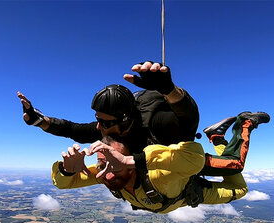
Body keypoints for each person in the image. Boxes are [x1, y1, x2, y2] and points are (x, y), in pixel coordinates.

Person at [51, 112, 268, 214]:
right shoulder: (105, 174)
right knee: (237, 183)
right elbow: (62, 183)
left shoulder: (158, 172)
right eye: (101, 163)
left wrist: (131, 160)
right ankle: (217, 137)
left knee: (236, 170)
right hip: (184, 197)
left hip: (184, 173)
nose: (107, 172)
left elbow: (194, 157)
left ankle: (245, 122)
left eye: (114, 161)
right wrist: (67, 170)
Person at [18, 61, 199, 154]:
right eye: (98, 120)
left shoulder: (155, 122)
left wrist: (170, 90)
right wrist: (38, 120)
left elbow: (189, 120)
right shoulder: (107, 128)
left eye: (104, 122)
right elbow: (72, 129)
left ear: (126, 120)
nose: (98, 126)